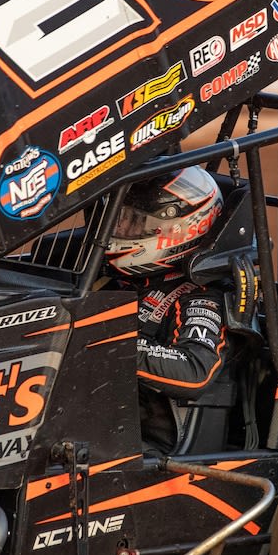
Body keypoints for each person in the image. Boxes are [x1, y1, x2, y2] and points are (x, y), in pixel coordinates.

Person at [104, 166, 236, 451]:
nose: (122, 230)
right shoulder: (129, 281)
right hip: (107, 422)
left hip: (155, 448)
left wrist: (116, 346)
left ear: (182, 229)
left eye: (136, 222)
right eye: (123, 218)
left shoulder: (202, 295)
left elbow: (196, 370)